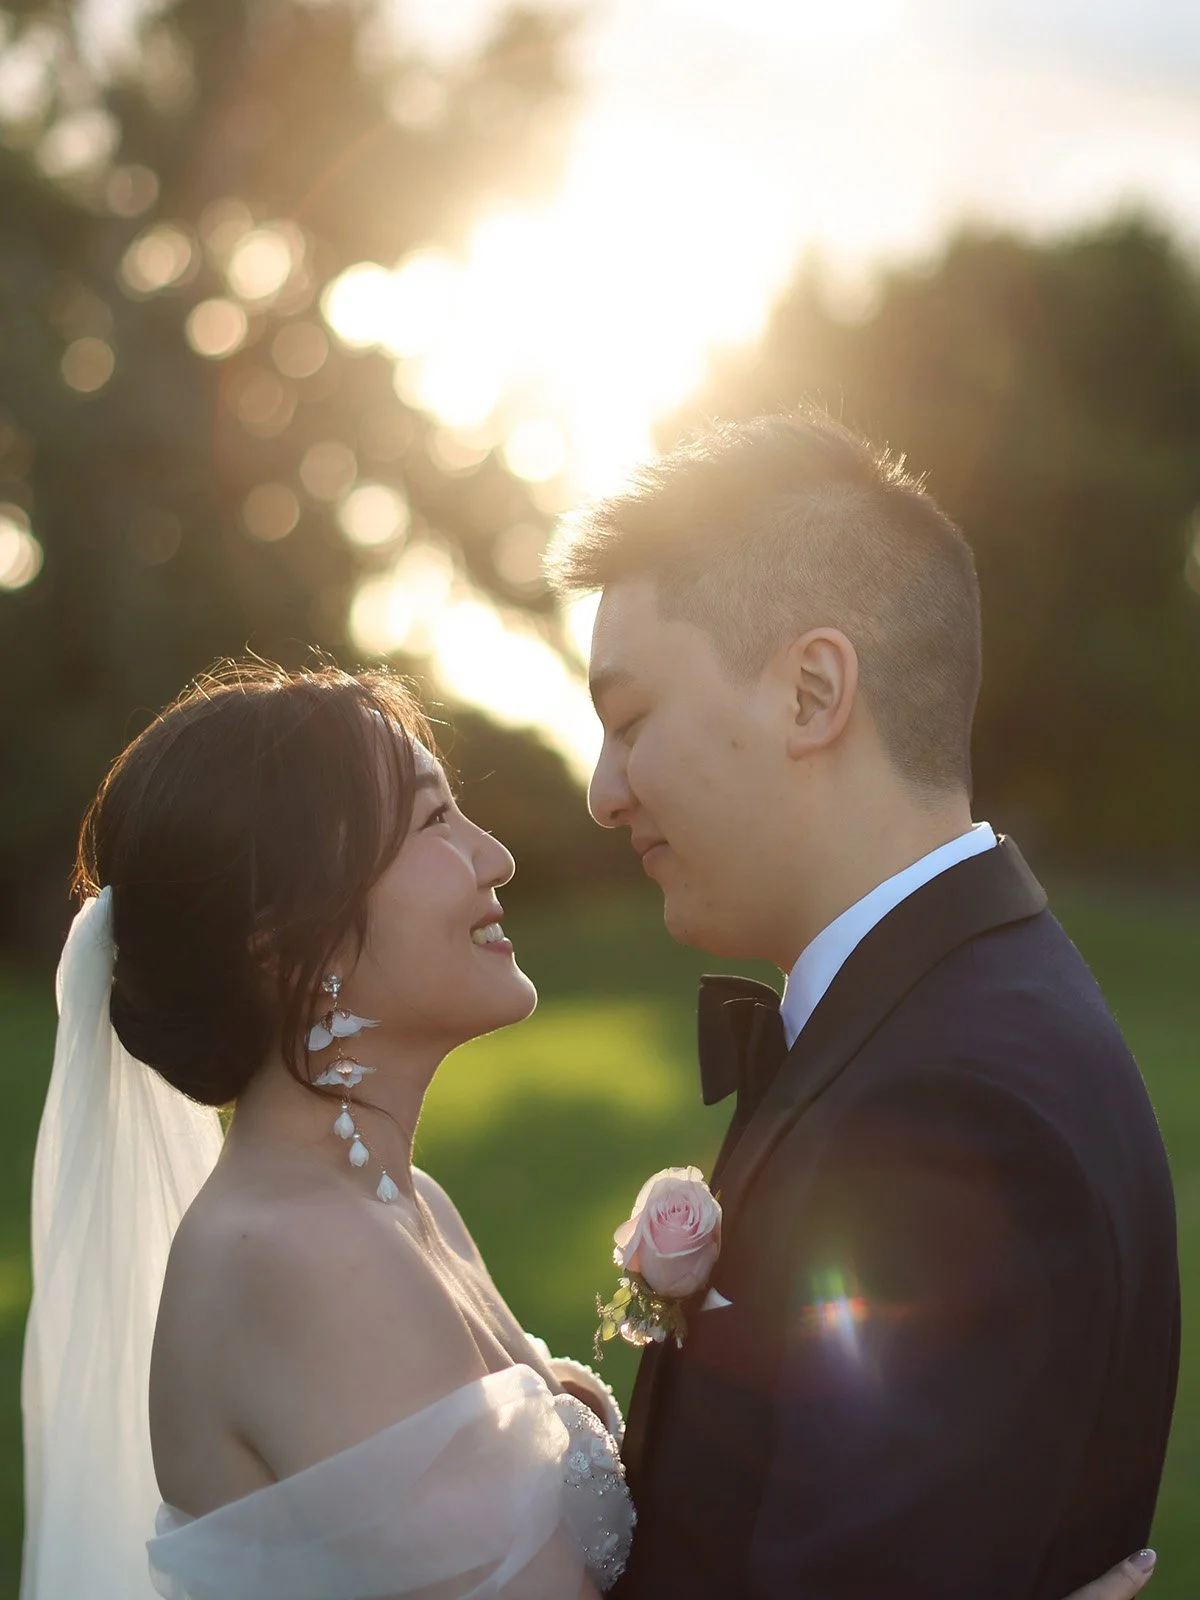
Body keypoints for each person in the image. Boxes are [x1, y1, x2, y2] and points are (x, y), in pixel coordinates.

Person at [18, 660, 1166, 1600]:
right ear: (282, 934)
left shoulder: (404, 1211)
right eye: (430, 820)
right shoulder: (291, 1259)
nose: (495, 854)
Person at [548, 410, 1181, 1599]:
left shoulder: (955, 1107)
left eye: (630, 722)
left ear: (812, 691)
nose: (602, 792)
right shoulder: (930, 1026)